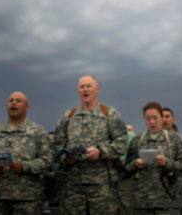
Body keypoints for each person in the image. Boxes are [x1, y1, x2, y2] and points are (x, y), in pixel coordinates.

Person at [54, 75, 127, 215]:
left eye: (88, 86)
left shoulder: (109, 114)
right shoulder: (69, 116)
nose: (85, 89)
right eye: (82, 87)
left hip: (102, 186)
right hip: (72, 185)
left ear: (97, 89)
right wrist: (66, 158)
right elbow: (57, 145)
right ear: (78, 90)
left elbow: (121, 142)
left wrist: (101, 151)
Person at [0, 91, 53, 214]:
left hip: (27, 198)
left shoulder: (37, 131)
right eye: (11, 100)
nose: (14, 103)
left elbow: (48, 160)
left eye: (18, 101)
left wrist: (24, 167)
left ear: (27, 107)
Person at [125, 102, 182, 215]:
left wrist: (167, 163)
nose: (152, 122)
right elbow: (125, 169)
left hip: (167, 201)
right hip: (141, 202)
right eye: (148, 118)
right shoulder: (137, 140)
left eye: (155, 118)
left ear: (161, 118)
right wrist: (135, 164)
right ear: (144, 119)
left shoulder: (174, 140)